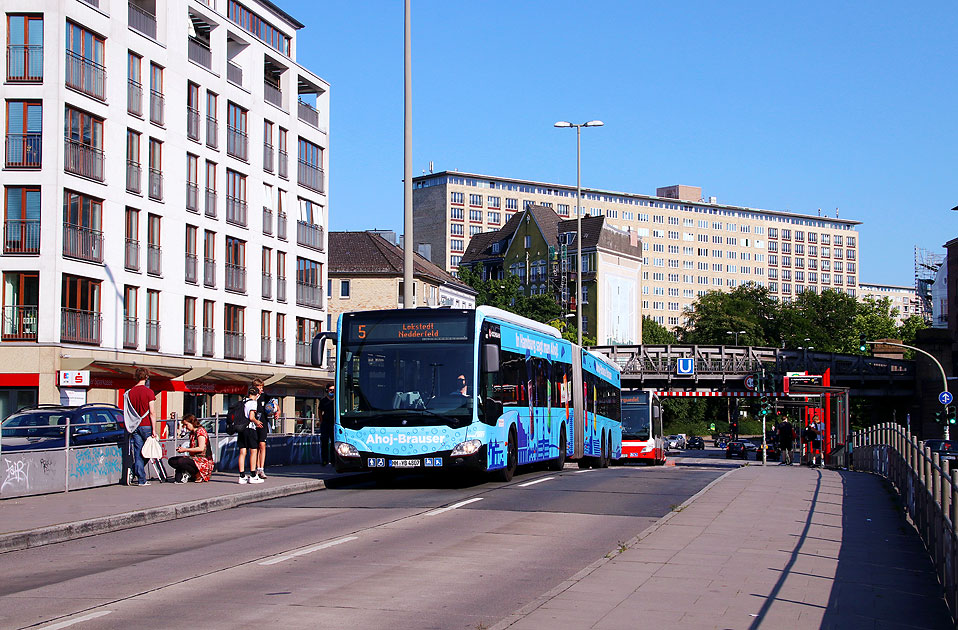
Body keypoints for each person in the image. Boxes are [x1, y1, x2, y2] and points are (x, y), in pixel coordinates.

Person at [127, 367, 158, 487]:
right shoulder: (149, 392)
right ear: (146, 377)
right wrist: (154, 430)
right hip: (146, 425)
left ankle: (141, 479)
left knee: (138, 452)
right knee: (151, 451)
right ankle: (136, 470)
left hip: (135, 426)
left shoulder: (130, 392)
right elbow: (152, 412)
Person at [168, 414, 214, 483]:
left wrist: (185, 449)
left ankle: (198, 474)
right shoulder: (191, 433)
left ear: (192, 422)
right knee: (172, 460)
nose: (186, 427)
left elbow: (201, 448)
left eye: (186, 425)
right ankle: (186, 473)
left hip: (202, 460)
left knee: (181, 461)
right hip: (193, 458)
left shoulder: (200, 431)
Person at [238, 387, 264, 484]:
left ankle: (241, 476)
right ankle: (253, 475)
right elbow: (251, 417)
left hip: (241, 429)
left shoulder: (243, 401)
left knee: (242, 452)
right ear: (257, 395)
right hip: (250, 428)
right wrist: (257, 422)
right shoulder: (253, 403)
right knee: (253, 451)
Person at [252, 378, 273, 480]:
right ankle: (256, 468)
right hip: (253, 425)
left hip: (263, 424)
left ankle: (261, 468)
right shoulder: (251, 397)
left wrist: (277, 411)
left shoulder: (265, 397)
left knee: (262, 444)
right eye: (259, 387)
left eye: (262, 387)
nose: (261, 389)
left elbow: (274, 405)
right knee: (254, 447)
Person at [318, 385, 335, 466]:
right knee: (324, 442)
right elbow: (320, 411)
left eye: (333, 390)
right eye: (330, 390)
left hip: (334, 424)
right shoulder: (323, 400)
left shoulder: (337, 400)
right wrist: (321, 421)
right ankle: (325, 460)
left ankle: (333, 460)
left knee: (333, 443)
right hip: (325, 423)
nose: (332, 391)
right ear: (327, 390)